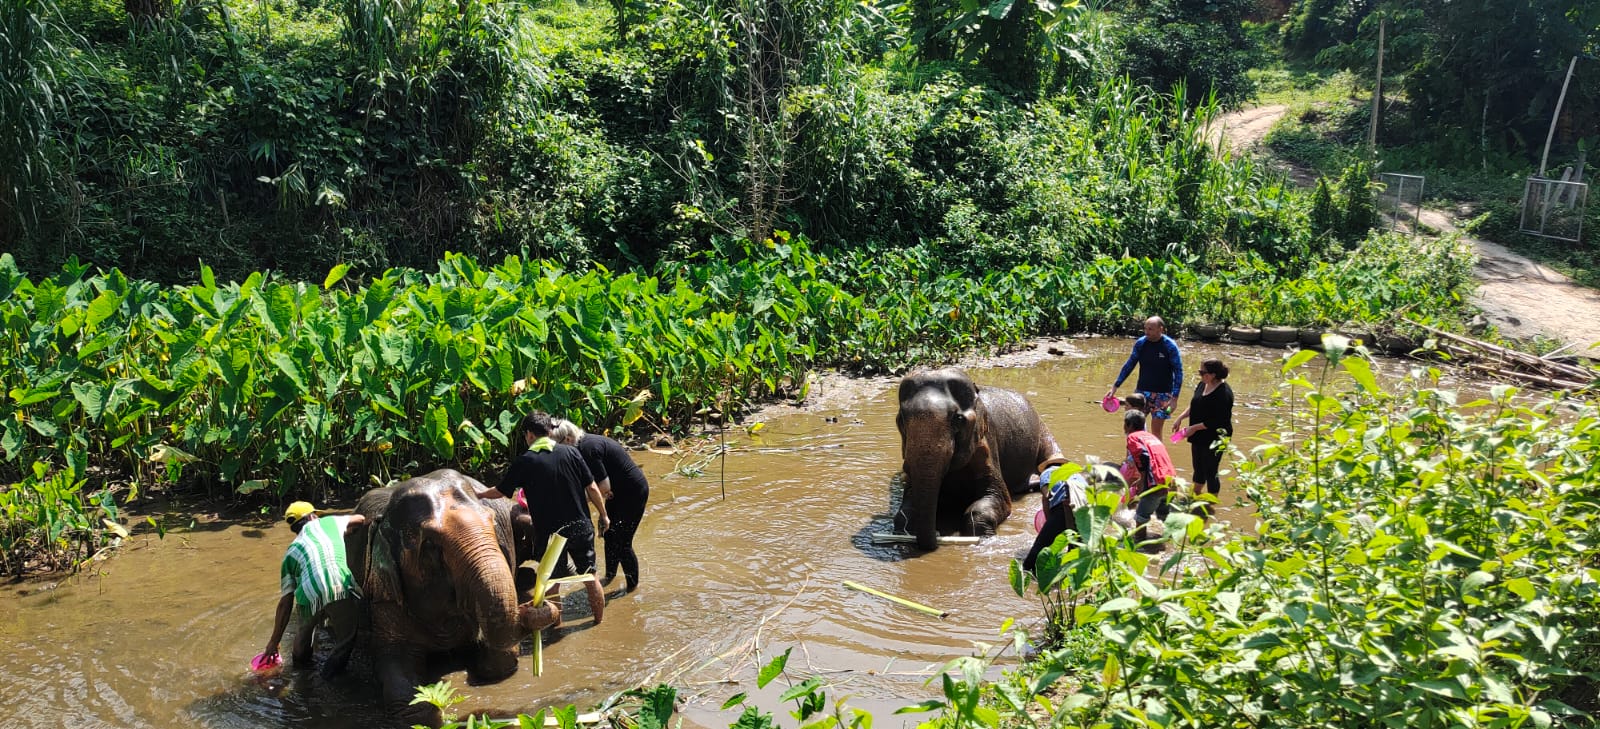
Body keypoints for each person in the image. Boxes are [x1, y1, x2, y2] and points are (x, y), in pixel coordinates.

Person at [480, 412, 610, 618]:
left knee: (551, 583)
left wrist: (477, 493)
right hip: (580, 525)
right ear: (550, 431)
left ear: (529, 435)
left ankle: (555, 628)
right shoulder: (571, 453)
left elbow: (500, 492)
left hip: (551, 534)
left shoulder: (525, 461)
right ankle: (598, 624)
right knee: (590, 578)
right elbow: (593, 487)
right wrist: (603, 515)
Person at [261, 501, 365, 680]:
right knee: (346, 639)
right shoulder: (330, 523)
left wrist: (273, 642)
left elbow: (286, 603)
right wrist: (344, 531)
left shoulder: (290, 553)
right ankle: (328, 678)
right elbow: (360, 519)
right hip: (338, 584)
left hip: (308, 594)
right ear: (313, 516)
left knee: (304, 631)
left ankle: (301, 673)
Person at [552, 419, 651, 594]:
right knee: (609, 534)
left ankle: (631, 589)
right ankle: (610, 577)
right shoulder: (580, 447)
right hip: (616, 493)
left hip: (633, 492)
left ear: (567, 439)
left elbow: (603, 487)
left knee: (623, 542)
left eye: (556, 445)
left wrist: (575, 501)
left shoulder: (589, 449)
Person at [1172, 358, 1234, 517]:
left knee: (1211, 470)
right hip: (1199, 433)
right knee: (1198, 466)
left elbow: (1217, 421)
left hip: (1215, 436)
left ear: (1213, 375)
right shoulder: (1202, 384)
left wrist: (1193, 428)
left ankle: (1211, 505)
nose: (1200, 374)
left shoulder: (1224, 393)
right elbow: (1194, 404)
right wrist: (1180, 417)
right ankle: (1195, 498)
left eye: (1202, 372)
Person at [1106, 316, 1183, 439]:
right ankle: (1132, 457)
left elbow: (1178, 372)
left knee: (1156, 433)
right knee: (1133, 430)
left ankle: (1155, 458)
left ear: (1160, 329)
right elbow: (1129, 365)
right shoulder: (1141, 343)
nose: (1147, 332)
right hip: (1142, 393)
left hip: (1163, 394)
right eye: (1145, 328)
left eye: (1150, 329)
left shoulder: (1170, 346)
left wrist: (1174, 398)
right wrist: (1115, 386)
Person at [1021, 458, 1088, 572]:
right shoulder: (1075, 473)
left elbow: (1047, 495)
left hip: (1065, 505)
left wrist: (1049, 527)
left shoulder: (1047, 473)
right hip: (1087, 507)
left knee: (1033, 559)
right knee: (1077, 554)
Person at [1123, 409, 1177, 550]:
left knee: (1141, 516)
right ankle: (1175, 544)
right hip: (1170, 478)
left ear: (1128, 425)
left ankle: (1140, 545)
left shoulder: (1133, 437)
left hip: (1155, 480)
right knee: (1165, 514)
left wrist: (1142, 480)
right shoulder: (1150, 437)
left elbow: (1144, 457)